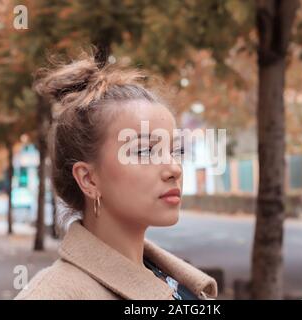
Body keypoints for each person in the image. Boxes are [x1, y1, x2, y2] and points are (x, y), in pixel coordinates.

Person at [14, 50, 217, 300]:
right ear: (88, 179)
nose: (174, 169)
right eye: (144, 151)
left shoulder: (174, 281)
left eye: (174, 151)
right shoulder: (53, 295)